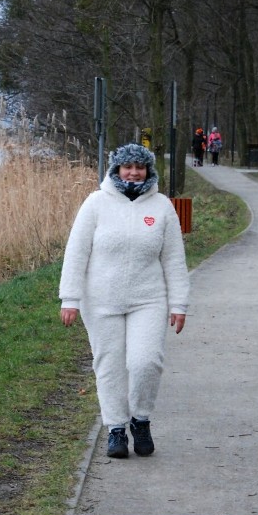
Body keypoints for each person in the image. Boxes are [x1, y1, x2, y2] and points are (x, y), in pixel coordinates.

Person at [59, 143, 190, 458]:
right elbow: (76, 253)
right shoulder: (95, 204)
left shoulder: (162, 207)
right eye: (127, 167)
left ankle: (140, 419)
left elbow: (174, 259)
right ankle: (116, 429)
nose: (133, 172)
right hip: (101, 301)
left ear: (148, 170)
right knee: (110, 365)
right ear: (116, 169)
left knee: (146, 362)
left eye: (139, 167)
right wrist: (70, 298)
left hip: (148, 299)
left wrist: (179, 304)